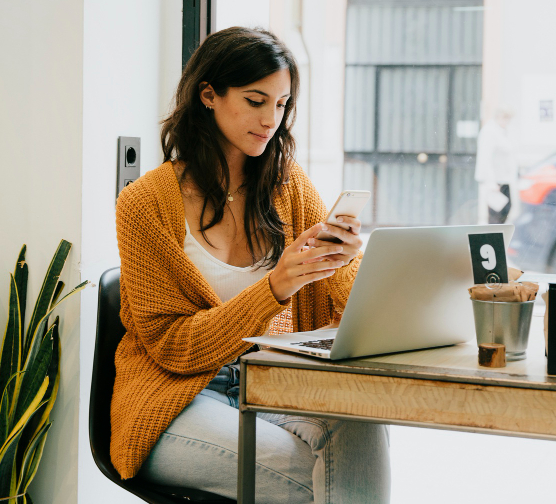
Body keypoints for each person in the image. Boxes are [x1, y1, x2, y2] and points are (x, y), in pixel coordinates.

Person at [110, 27, 390, 503]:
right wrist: (275, 287)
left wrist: (345, 263)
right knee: (321, 482)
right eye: (256, 101)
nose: (271, 120)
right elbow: (173, 347)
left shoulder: (287, 187)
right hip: (175, 397)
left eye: (281, 106)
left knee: (358, 423)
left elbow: (343, 298)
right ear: (208, 96)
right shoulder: (144, 204)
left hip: (270, 380)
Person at [475, 107, 517, 224]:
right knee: (496, 213)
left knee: (505, 209)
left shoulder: (502, 131)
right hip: (494, 180)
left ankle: (500, 237)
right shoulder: (489, 132)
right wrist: (491, 182)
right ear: (500, 117)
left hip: (503, 179)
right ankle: (494, 240)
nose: (508, 122)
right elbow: (485, 158)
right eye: (507, 119)